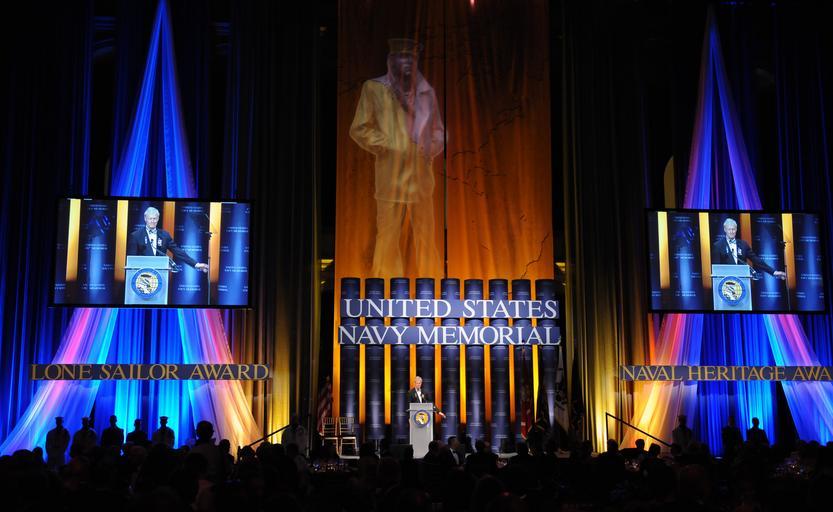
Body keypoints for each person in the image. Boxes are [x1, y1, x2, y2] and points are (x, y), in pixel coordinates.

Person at [350, 38, 445, 278]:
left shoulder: (426, 92)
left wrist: (430, 147)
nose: (407, 63)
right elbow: (359, 128)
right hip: (390, 176)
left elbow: (438, 131)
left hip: (421, 178)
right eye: (402, 57)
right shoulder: (374, 89)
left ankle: (430, 291)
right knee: (388, 236)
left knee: (426, 237)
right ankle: (384, 292)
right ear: (391, 61)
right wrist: (388, 144)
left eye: (411, 58)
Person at [126, 206, 208, 272]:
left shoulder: (164, 235)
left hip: (160, 273)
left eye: (154, 219)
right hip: (142, 274)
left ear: (158, 219)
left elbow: (178, 251)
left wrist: (196, 264)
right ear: (145, 219)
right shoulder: (136, 235)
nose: (152, 221)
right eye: (150, 218)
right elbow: (131, 260)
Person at [712, 218, 786, 279]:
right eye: (729, 229)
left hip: (742, 280)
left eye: (733, 229)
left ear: (736, 229)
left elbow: (756, 260)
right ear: (725, 230)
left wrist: (773, 272)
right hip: (726, 283)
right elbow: (716, 268)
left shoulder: (743, 245)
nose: (731, 232)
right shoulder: (718, 245)